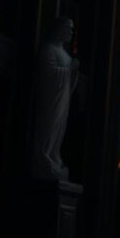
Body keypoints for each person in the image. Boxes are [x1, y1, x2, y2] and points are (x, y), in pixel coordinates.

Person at [32, 17, 80, 181]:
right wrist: (69, 69)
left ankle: (53, 153)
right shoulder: (49, 49)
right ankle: (44, 154)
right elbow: (48, 73)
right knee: (49, 125)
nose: (71, 32)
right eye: (68, 28)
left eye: (72, 29)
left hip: (63, 99)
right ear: (59, 29)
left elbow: (70, 78)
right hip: (52, 99)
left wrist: (73, 72)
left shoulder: (64, 53)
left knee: (59, 126)